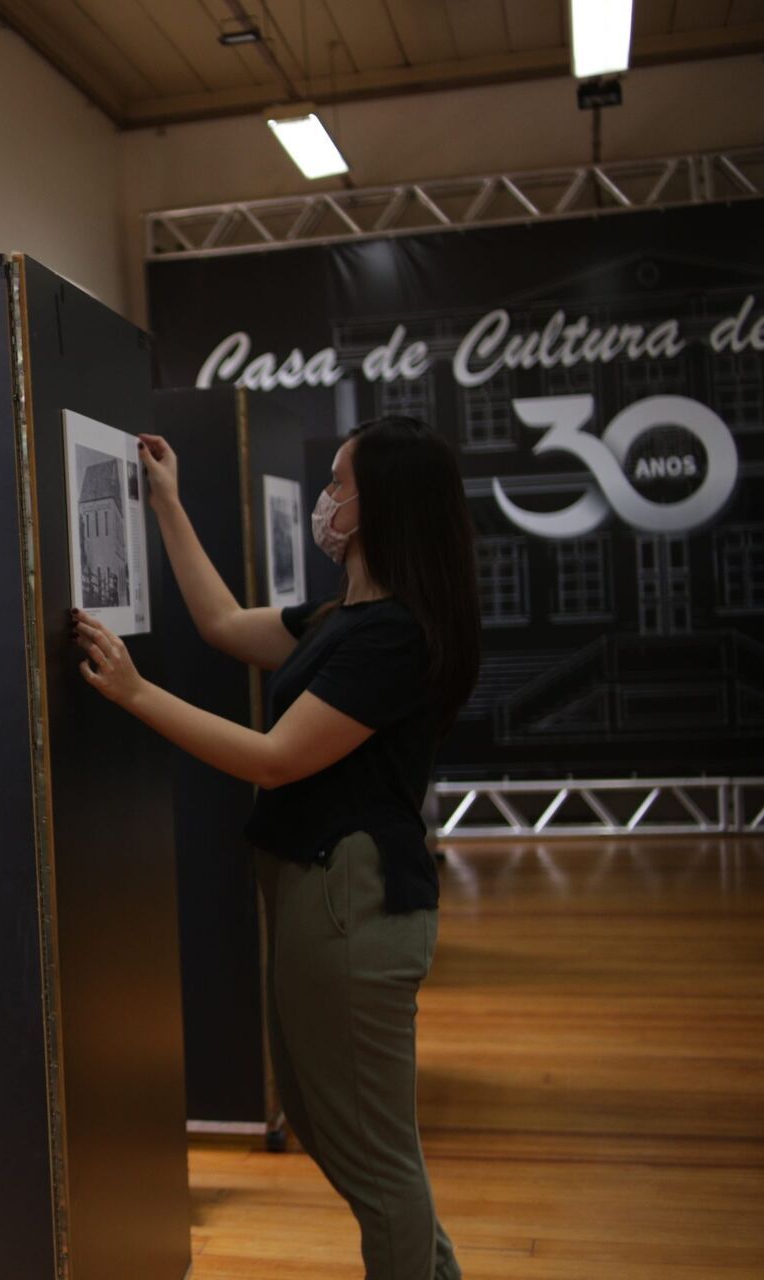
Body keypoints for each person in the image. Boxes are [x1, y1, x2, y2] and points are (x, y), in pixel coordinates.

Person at [73, 415, 478, 1280]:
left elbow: (274, 758)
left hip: (352, 899)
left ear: (380, 506)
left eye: (339, 484)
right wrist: (169, 505)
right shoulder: (343, 617)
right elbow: (221, 623)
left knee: (373, 1155)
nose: (327, 500)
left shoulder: (393, 634)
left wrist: (136, 694)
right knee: (331, 1122)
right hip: (315, 894)